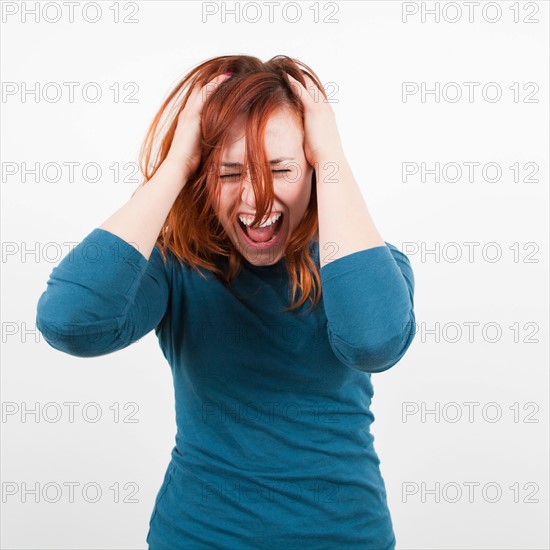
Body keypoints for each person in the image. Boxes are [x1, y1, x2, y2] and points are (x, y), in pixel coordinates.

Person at [36, 54, 416, 549]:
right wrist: (177, 163)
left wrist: (333, 158)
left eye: (282, 169)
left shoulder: (370, 264)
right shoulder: (175, 268)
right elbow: (69, 323)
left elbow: (374, 342)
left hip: (344, 536)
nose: (257, 201)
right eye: (231, 173)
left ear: (314, 172)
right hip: (198, 536)